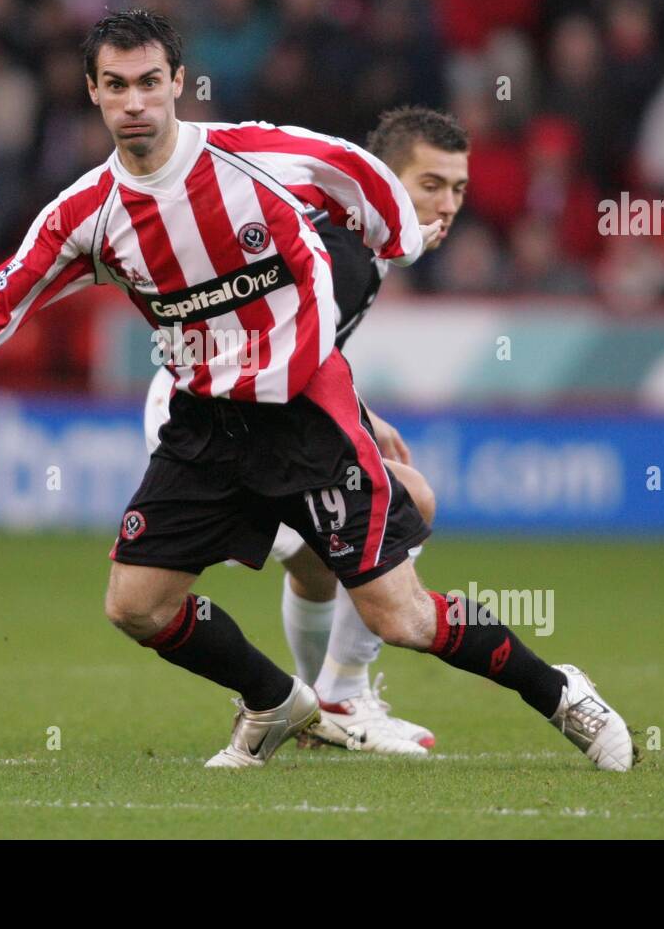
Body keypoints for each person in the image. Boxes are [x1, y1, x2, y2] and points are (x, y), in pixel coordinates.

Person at [0, 9, 633, 770]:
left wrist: (398, 233)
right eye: (116, 85)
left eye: (150, 81)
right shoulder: (85, 213)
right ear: (92, 91)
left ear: (178, 81)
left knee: (403, 617)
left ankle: (562, 693)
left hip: (304, 420)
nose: (135, 102)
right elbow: (2, 296)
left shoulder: (257, 158)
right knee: (135, 605)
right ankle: (279, 699)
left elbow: (358, 173)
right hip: (205, 426)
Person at [141, 105, 468, 756]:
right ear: (379, 181)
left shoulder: (361, 245)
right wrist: (361, 422)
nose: (448, 202)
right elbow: (280, 355)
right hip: (216, 419)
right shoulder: (345, 255)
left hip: (247, 410)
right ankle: (339, 697)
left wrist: (366, 416)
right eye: (430, 184)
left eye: (458, 188)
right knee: (410, 504)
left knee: (321, 565)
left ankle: (322, 709)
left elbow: (302, 349)